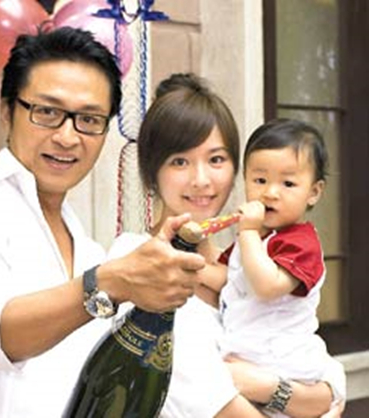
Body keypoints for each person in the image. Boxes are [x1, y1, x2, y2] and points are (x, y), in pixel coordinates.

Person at [0, 28, 208, 418]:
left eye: (89, 119)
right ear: (7, 111)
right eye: (47, 112)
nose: (67, 137)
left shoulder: (86, 247)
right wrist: (108, 283)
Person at [107, 73, 345, 417]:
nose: (201, 179)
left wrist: (269, 387)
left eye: (216, 159)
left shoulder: (246, 259)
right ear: (151, 171)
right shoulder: (134, 259)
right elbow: (204, 397)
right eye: (179, 161)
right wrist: (300, 397)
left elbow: (331, 384)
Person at [207, 118, 346, 416]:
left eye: (288, 183)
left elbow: (267, 287)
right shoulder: (257, 237)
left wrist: (247, 233)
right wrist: (192, 268)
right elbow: (230, 278)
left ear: (314, 192)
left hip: (283, 361)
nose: (270, 192)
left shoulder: (302, 242)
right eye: (259, 180)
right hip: (250, 358)